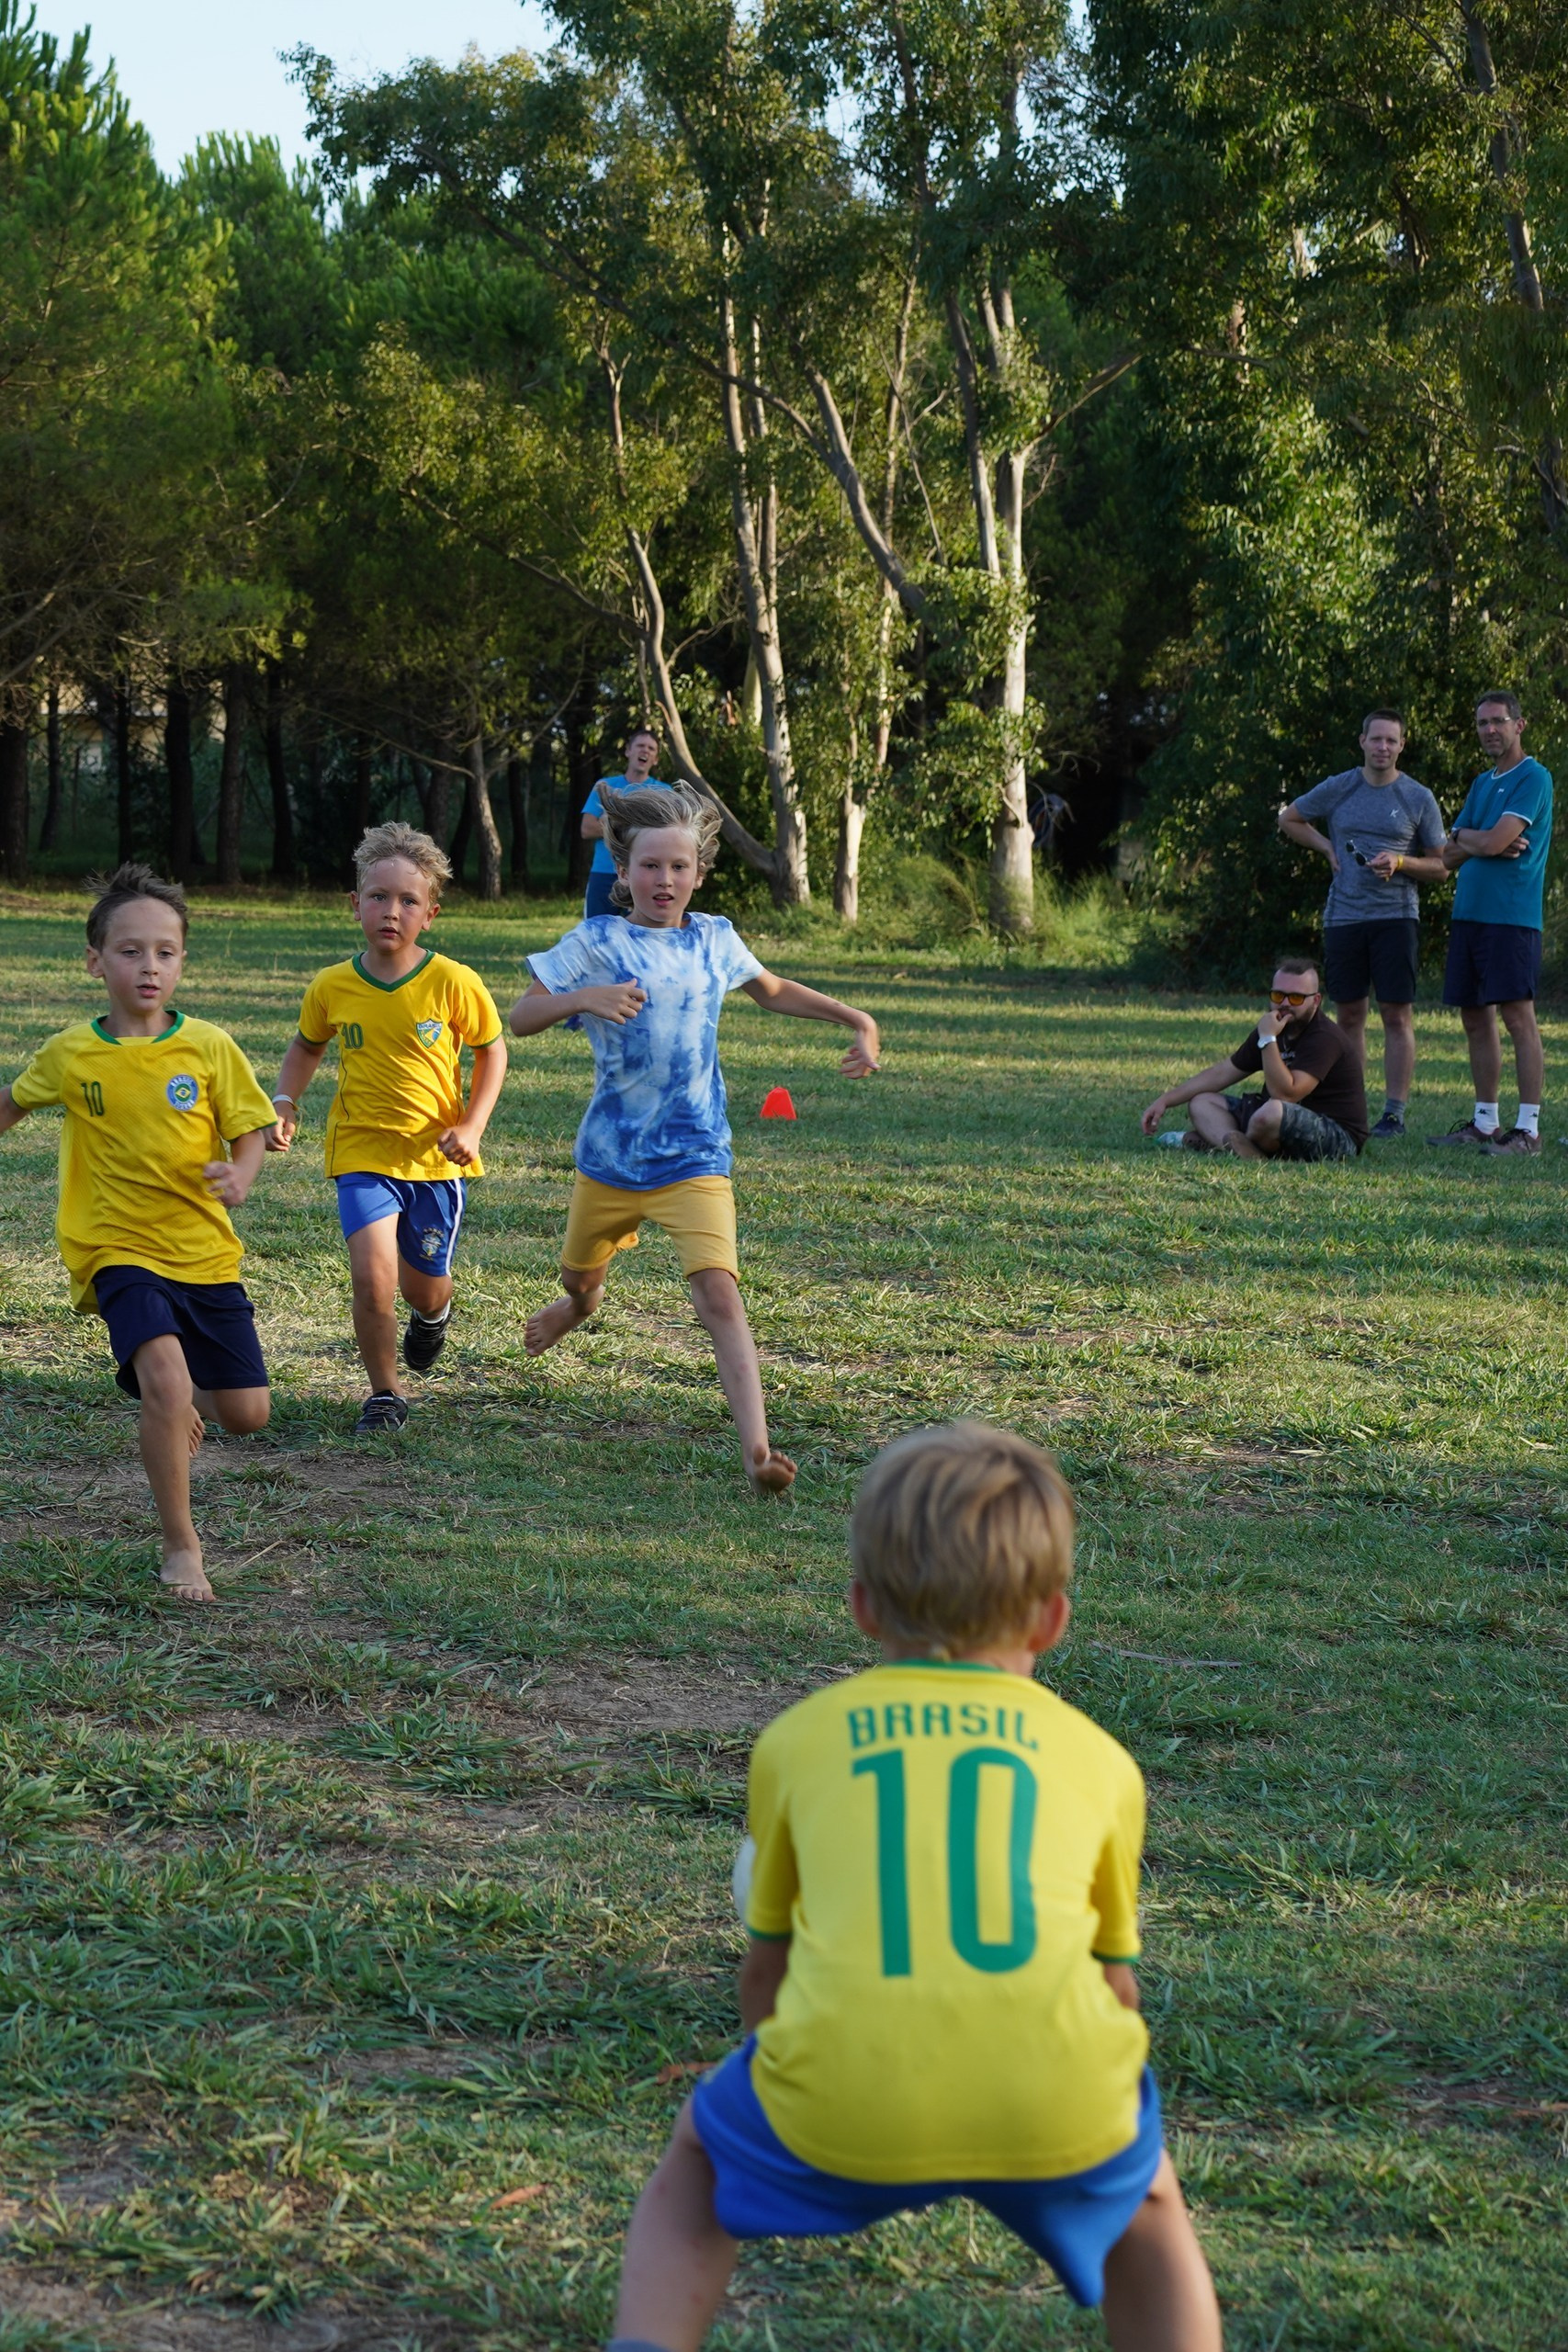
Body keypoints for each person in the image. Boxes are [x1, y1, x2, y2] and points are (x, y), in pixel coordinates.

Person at [604, 1421, 1224, 2352]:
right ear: (1052, 1618)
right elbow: (1114, 1985)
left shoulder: (797, 1743)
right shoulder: (1103, 1765)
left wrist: (792, 2067)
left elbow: (766, 1972)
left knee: (696, 2170)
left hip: (838, 2092)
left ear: (861, 1605)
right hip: (1057, 2097)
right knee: (1151, 2207)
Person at [510, 782, 879, 1496]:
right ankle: (577, 1310)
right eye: (649, 866)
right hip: (610, 1162)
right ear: (622, 872)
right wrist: (584, 999)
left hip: (694, 1156)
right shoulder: (597, 941)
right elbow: (521, 1017)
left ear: (698, 875)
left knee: (719, 1297)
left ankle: (757, 1449)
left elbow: (771, 990)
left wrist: (856, 1019)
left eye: (679, 867)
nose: (664, 880)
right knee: (578, 1282)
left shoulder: (714, 938)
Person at [0, 865, 277, 1601]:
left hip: (205, 1252)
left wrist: (242, 1175)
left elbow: (250, 1130)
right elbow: (11, 1104)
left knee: (248, 1414)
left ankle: (178, 1397)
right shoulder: (71, 1053)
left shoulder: (210, 1046)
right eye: (129, 951)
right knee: (165, 1378)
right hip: (113, 1246)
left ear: (183, 960)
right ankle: (182, 1546)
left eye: (165, 951)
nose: (148, 966)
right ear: (94, 961)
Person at [268, 823, 508, 1435]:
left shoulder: (454, 982)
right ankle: (383, 1394)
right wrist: (285, 1100)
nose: (390, 911)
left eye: (407, 901)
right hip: (360, 1152)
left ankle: (433, 1317)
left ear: (430, 913)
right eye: (377, 897)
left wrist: (473, 1125)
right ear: (355, 906)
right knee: (372, 1279)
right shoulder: (331, 985)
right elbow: (305, 1047)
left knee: (421, 1288)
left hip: (433, 1161)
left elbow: (492, 1051)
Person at [1277, 709, 1447, 1138]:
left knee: (1396, 1016)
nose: (1383, 748)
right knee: (1347, 1015)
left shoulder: (1417, 797)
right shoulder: (1342, 786)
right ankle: (1348, 1103)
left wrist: (1402, 861)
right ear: (1362, 741)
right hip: (1344, 916)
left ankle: (1394, 1113)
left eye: (1391, 741)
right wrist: (1327, 847)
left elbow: (1443, 866)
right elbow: (1289, 818)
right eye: (1376, 740)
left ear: (1402, 745)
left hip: (1396, 918)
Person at [1427, 691, 1553, 1156]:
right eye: (1482, 723)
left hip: (1512, 918)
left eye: (1498, 721)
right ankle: (1484, 1123)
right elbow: (1448, 852)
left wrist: (1475, 839)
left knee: (1518, 1017)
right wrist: (1471, 838)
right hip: (1470, 916)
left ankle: (1528, 1131)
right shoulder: (1483, 783)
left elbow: (1500, 841)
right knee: (1474, 1019)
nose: (1489, 730)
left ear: (1519, 725)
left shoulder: (1533, 778)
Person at [1140, 956, 1367, 1159]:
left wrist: (1268, 1037)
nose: (1285, 1003)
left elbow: (1286, 1093)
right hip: (1274, 1122)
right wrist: (1165, 1100)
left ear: (1316, 1001)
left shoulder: (1324, 1037)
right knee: (1201, 1102)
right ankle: (1242, 1150)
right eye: (1279, 995)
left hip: (1336, 1135)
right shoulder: (1274, 1026)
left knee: (1270, 1113)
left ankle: (1219, 1143)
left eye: (1296, 998)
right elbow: (1223, 1072)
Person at [581, 726, 671, 919]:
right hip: (604, 872)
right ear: (628, 751)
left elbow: (670, 833)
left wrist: (612, 822)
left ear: (655, 759)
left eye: (651, 748)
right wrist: (641, 825)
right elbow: (587, 829)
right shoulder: (604, 786)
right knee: (597, 934)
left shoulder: (665, 792)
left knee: (642, 934)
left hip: (645, 873)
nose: (645, 750)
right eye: (640, 745)